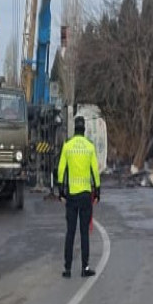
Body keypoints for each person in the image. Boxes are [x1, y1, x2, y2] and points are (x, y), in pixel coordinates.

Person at [57, 115, 100, 278]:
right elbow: (94, 171)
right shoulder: (89, 147)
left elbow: (61, 170)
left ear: (74, 129)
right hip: (85, 196)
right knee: (84, 233)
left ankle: (67, 268)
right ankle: (85, 267)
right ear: (84, 130)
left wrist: (61, 191)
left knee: (70, 232)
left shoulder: (68, 146)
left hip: (72, 196)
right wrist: (98, 191)